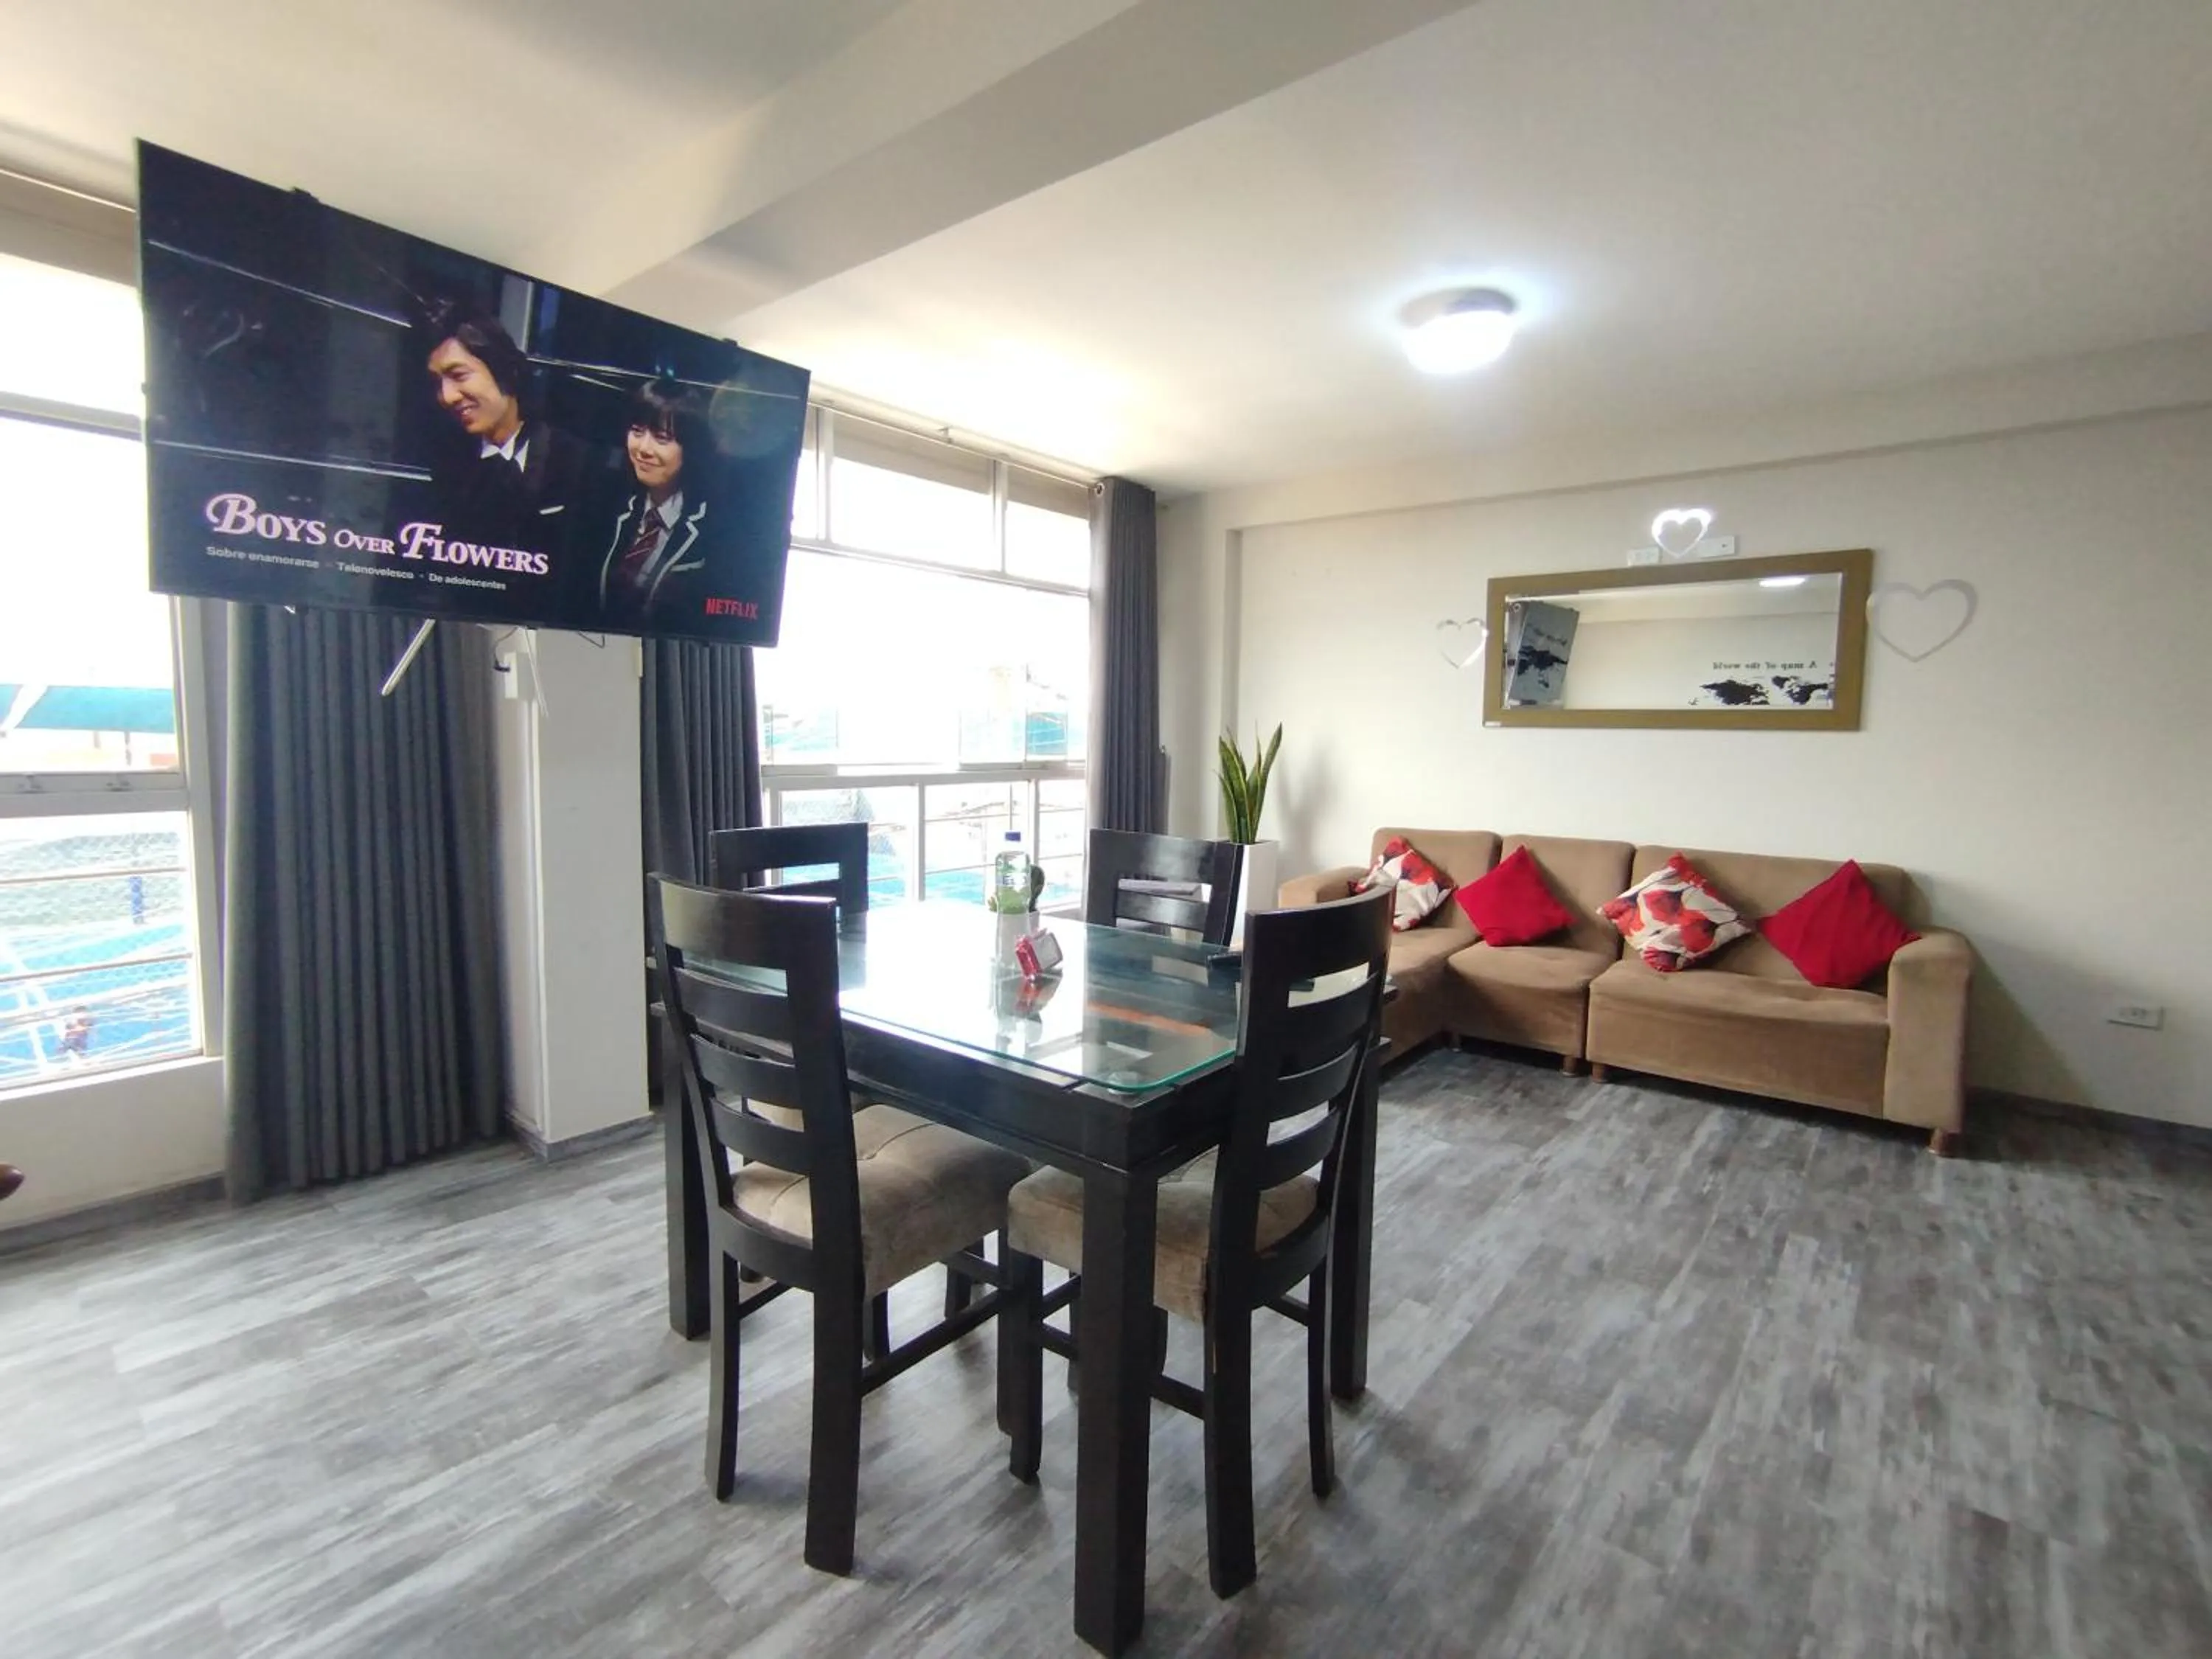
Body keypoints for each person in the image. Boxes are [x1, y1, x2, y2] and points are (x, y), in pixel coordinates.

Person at [421, 306, 590, 565]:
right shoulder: (446, 466)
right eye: (437, 383)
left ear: (506, 370)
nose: (447, 396)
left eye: (458, 375)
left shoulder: (576, 461)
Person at [596, 379, 721, 626]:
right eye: (637, 431)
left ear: (691, 447)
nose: (643, 449)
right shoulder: (605, 509)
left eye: (662, 438)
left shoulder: (714, 529)